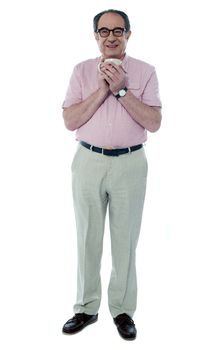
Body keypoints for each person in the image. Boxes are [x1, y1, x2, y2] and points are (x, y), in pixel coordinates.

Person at [61, 9, 162, 340]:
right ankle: (86, 308)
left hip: (130, 165)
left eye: (118, 30)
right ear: (95, 36)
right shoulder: (80, 72)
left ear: (128, 35)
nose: (111, 36)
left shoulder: (146, 73)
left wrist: (121, 90)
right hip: (88, 161)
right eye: (103, 31)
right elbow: (70, 120)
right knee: (87, 237)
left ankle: (121, 310)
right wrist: (103, 89)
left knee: (125, 241)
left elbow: (154, 122)